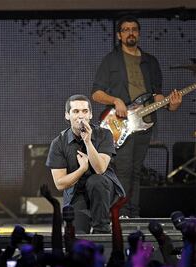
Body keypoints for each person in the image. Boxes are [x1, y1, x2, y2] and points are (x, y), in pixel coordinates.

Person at [91, 15, 182, 218]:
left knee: (136, 171)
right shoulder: (111, 60)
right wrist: (116, 100)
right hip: (120, 123)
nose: (130, 32)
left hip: (144, 123)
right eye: (125, 29)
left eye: (134, 29)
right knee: (122, 170)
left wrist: (171, 105)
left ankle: (133, 214)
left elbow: (157, 95)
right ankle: (120, 213)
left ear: (138, 33)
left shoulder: (150, 62)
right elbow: (96, 93)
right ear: (119, 35)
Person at [46, 94, 125, 234]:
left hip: (103, 191)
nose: (81, 116)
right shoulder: (58, 143)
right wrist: (82, 169)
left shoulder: (104, 134)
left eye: (85, 111)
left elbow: (100, 169)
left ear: (90, 115)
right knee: (78, 235)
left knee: (96, 180)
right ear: (67, 115)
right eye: (76, 111)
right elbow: (60, 184)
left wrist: (88, 142)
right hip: (77, 194)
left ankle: (102, 229)